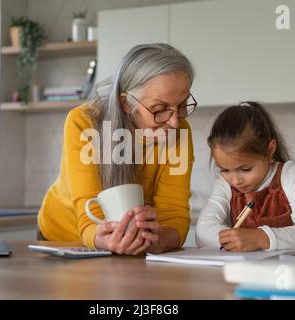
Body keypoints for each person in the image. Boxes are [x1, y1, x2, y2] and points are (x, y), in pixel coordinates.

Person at [38, 43, 197, 254]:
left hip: (129, 244)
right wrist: (108, 241)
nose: (175, 122)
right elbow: (89, 216)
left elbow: (174, 215)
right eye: (160, 109)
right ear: (126, 103)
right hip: (63, 240)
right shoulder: (84, 123)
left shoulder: (179, 133)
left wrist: (155, 241)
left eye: (183, 105)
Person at [196, 101, 295, 252]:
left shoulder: (290, 174)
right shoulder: (225, 184)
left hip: (287, 271)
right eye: (224, 170)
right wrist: (232, 238)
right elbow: (202, 233)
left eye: (245, 169)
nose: (236, 180)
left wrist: (261, 238)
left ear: (270, 151)